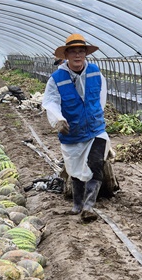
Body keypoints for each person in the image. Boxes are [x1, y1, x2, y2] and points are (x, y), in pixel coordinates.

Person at [42, 33, 110, 223]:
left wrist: (95, 116)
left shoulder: (96, 72)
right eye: (73, 52)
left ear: (86, 54)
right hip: (72, 133)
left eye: (81, 51)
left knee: (96, 163)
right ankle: (77, 204)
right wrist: (59, 120)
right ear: (66, 55)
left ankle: (89, 206)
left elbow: (100, 98)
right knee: (75, 169)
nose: (78, 56)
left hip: (95, 129)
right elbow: (50, 102)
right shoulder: (56, 78)